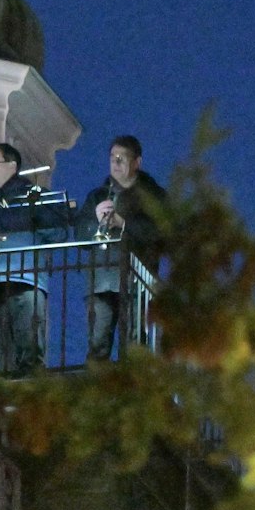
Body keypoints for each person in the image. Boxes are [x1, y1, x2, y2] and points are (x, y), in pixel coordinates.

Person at [0, 144, 64, 376]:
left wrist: (37, 208)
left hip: (25, 276)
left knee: (28, 336)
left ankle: (30, 374)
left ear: (12, 166)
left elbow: (59, 231)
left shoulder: (33, 195)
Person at [76, 135, 167, 362]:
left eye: (121, 158)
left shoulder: (154, 196)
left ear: (137, 163)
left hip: (137, 280)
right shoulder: (98, 195)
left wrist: (123, 223)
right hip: (101, 280)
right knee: (98, 342)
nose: (115, 164)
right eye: (112, 158)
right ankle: (98, 387)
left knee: (136, 343)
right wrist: (96, 220)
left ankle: (133, 387)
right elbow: (79, 234)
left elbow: (162, 234)